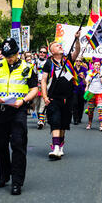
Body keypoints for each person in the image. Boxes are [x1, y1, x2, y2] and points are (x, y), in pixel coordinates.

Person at [0, 37, 38, 195]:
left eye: (12, 55)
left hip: (18, 111)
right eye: (6, 55)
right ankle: (4, 175)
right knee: (1, 145)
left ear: (17, 53)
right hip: (0, 110)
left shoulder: (28, 68)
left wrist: (23, 101)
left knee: (18, 145)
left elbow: (34, 89)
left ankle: (17, 182)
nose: (9, 59)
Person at [41, 31, 81, 160]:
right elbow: (43, 80)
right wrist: (45, 97)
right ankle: (56, 147)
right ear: (52, 51)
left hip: (68, 97)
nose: (60, 46)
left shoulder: (68, 59)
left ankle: (60, 145)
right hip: (54, 97)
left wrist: (77, 40)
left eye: (60, 45)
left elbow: (77, 52)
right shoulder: (48, 63)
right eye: (57, 46)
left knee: (64, 123)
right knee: (55, 121)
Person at [84, 58, 102, 131]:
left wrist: (100, 74)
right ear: (93, 65)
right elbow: (87, 80)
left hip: (100, 93)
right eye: (95, 64)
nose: (97, 66)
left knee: (100, 109)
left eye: (98, 65)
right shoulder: (90, 72)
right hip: (91, 93)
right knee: (91, 110)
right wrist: (86, 86)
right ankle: (89, 123)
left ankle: (101, 125)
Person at [34, 46, 48, 129]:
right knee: (37, 103)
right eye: (41, 52)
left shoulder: (48, 63)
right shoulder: (34, 62)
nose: (42, 53)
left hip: (44, 86)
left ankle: (41, 120)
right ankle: (41, 118)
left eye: (44, 52)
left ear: (46, 54)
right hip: (36, 86)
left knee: (43, 103)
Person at [73, 57, 87, 125]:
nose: (78, 62)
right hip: (74, 89)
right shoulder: (72, 69)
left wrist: (83, 77)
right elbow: (67, 78)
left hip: (82, 89)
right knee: (75, 104)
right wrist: (75, 76)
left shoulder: (84, 69)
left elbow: (86, 82)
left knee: (81, 105)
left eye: (79, 61)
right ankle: (75, 119)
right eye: (77, 60)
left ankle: (79, 118)